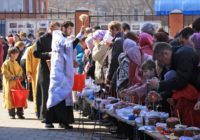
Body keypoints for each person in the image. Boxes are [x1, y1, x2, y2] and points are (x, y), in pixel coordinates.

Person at [148, 42, 200, 126]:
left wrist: (159, 84)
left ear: (165, 54)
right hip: (189, 98)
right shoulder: (176, 57)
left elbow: (181, 80)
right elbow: (176, 86)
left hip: (193, 98)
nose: (162, 64)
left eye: (160, 60)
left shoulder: (183, 54)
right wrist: (160, 96)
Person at [45, 23, 84, 129]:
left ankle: (64, 121)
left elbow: (70, 49)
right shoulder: (57, 35)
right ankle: (49, 121)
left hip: (65, 72)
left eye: (72, 28)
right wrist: (79, 36)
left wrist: (73, 61)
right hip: (58, 72)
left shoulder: (66, 38)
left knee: (66, 95)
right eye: (69, 28)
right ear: (63, 28)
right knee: (55, 94)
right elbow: (68, 45)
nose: (71, 30)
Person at [33, 22, 61, 121]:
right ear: (50, 28)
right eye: (56, 30)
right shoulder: (42, 39)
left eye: (59, 30)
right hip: (45, 68)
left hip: (57, 68)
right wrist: (48, 54)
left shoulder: (59, 38)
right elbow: (36, 53)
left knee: (56, 92)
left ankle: (56, 116)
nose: (58, 32)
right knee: (45, 92)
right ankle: (44, 115)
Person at [1, 47, 24, 119]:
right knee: (10, 98)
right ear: (11, 54)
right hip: (9, 84)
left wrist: (19, 76)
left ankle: (20, 113)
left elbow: (20, 71)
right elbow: (5, 72)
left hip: (17, 83)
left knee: (19, 97)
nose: (17, 56)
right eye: (16, 54)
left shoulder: (17, 63)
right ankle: (12, 114)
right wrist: (12, 77)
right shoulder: (6, 63)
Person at [26, 31, 44, 114]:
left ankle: (44, 110)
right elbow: (28, 62)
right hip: (34, 74)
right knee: (36, 92)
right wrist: (29, 74)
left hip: (44, 72)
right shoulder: (30, 49)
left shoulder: (46, 48)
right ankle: (37, 110)